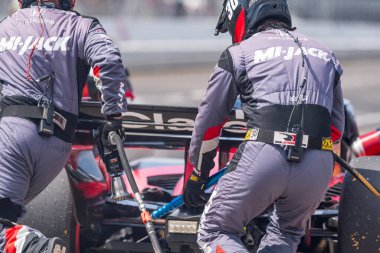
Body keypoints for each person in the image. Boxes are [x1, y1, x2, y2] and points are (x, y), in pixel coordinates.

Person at [183, 0, 345, 252]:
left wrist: (199, 175)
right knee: (287, 232)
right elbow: (335, 129)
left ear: (242, 16)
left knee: (215, 229)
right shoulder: (326, 53)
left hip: (265, 154)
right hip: (317, 165)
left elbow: (209, 125)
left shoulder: (238, 53)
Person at [0, 0, 129, 252]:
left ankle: (38, 247)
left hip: (13, 138)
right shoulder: (83, 25)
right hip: (58, 147)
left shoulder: (6, 26)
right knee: (8, 218)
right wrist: (113, 116)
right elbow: (110, 59)